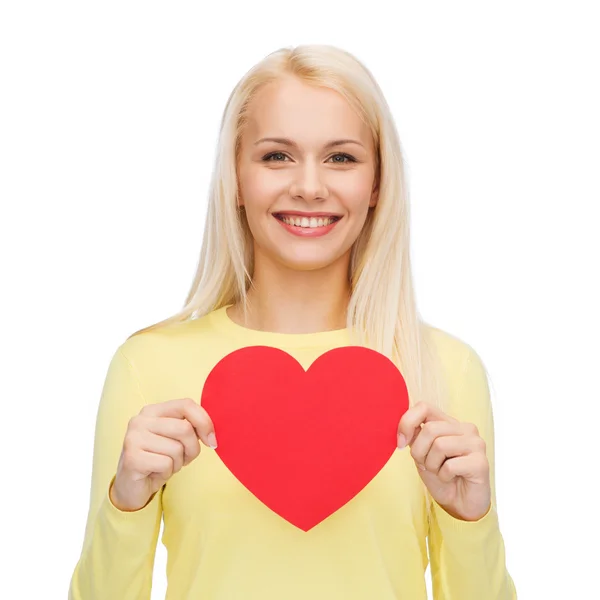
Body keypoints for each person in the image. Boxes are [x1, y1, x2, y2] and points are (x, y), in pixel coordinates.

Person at [68, 44, 517, 599]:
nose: (309, 185)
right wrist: (127, 502)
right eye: (277, 156)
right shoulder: (148, 364)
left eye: (341, 158)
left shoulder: (446, 368)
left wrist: (469, 519)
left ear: (377, 183)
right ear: (236, 176)